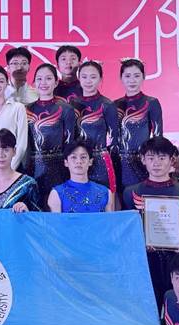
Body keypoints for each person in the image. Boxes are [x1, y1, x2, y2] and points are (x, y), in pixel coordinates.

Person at [121, 137, 179, 310]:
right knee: (146, 311)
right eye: (151, 158)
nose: (156, 163)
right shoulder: (130, 193)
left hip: (178, 265)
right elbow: (125, 231)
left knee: (176, 311)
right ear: (143, 160)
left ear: (171, 160)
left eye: (162, 158)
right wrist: (138, 242)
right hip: (144, 264)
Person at [26, 63, 77, 204]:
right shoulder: (26, 109)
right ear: (34, 83)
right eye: (39, 79)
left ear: (56, 83)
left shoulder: (66, 109)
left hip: (58, 168)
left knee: (56, 207)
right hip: (31, 167)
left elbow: (70, 143)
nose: (43, 83)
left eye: (48, 78)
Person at [114, 58, 163, 189]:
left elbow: (158, 136)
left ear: (143, 77)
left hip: (141, 161)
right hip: (118, 161)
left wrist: (153, 160)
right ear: (121, 78)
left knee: (141, 196)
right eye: (127, 76)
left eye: (136, 76)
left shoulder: (151, 103)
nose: (132, 80)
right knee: (121, 196)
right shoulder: (115, 105)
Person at [73, 61, 120, 192]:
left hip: (100, 160)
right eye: (84, 77)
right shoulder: (72, 105)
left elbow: (114, 138)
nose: (88, 81)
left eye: (93, 77)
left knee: (104, 197)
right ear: (79, 78)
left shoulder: (107, 105)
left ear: (100, 79)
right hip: (78, 160)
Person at [48, 142, 113, 213]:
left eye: (83, 157)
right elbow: (55, 220)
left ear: (90, 161)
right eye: (73, 157)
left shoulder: (105, 193)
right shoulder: (56, 194)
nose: (79, 161)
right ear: (66, 162)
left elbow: (110, 220)